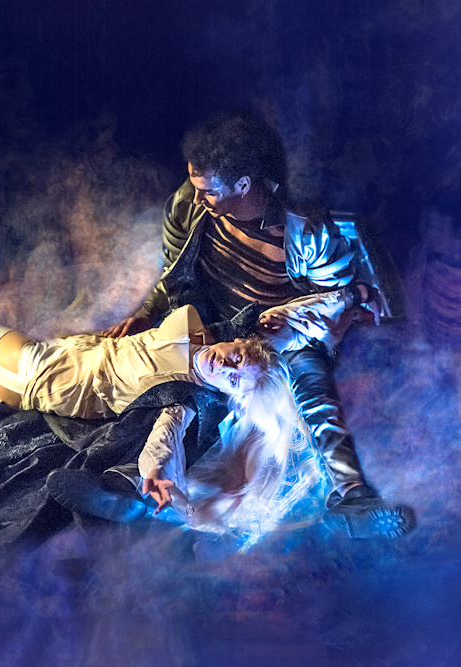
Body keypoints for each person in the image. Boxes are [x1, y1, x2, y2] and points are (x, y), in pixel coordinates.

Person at [101, 112, 412, 534]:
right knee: (163, 398)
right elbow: (175, 274)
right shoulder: (188, 206)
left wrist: (289, 331)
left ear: (244, 185)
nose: (197, 199)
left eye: (208, 191)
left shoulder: (308, 232)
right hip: (208, 329)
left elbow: (333, 305)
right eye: (195, 187)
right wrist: (147, 313)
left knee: (311, 391)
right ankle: (133, 486)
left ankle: (353, 497)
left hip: (278, 339)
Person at [0, 292, 342, 539]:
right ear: (235, 342)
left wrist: (158, 476)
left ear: (228, 394)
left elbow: (166, 437)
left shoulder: (184, 397)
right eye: (236, 357)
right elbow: (280, 321)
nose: (226, 366)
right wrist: (345, 300)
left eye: (234, 378)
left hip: (39, 372)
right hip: (60, 356)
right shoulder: (199, 329)